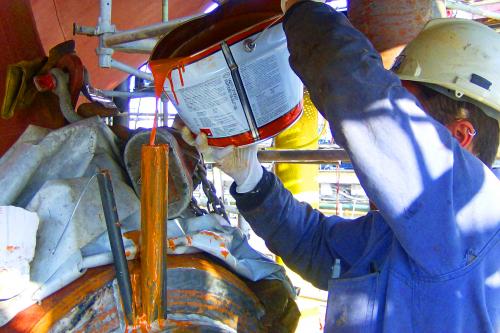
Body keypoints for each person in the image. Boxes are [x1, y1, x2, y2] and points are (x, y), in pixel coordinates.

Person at [182, 0, 500, 331]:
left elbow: (358, 93)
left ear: (460, 135)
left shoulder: (473, 214)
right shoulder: (402, 234)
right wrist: (251, 178)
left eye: (411, 114)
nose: (391, 129)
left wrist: (299, 8)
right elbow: (317, 246)